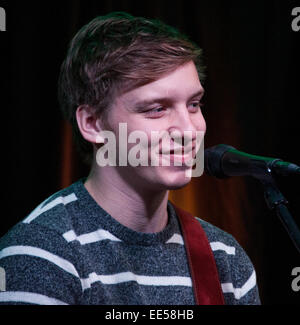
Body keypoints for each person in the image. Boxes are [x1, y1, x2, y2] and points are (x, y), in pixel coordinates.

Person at [0, 12, 260, 305]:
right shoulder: (41, 252)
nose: (189, 130)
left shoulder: (223, 257)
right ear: (93, 123)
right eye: (156, 109)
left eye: (194, 104)